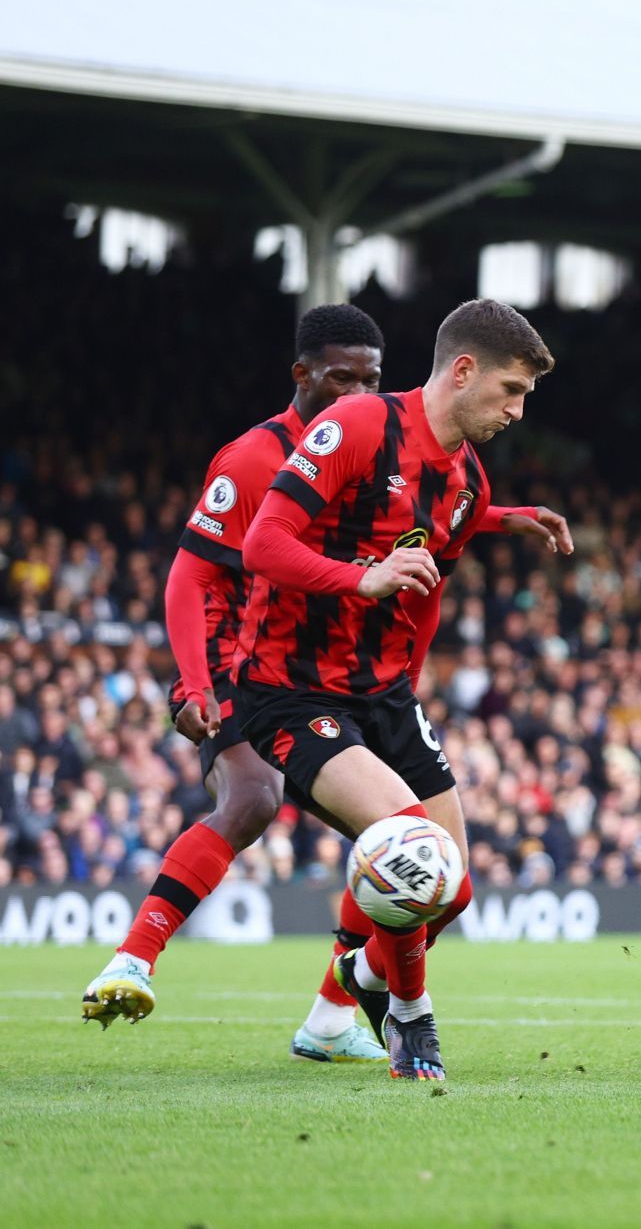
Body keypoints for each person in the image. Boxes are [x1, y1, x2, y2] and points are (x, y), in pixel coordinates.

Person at [235, 298, 568, 1080]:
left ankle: (343, 995)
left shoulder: (465, 477)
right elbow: (263, 543)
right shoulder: (355, 426)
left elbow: (436, 525)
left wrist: (506, 518)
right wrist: (363, 579)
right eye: (511, 391)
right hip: (294, 687)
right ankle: (409, 1017)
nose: (519, 411)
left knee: (453, 889)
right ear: (462, 372)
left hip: (382, 694)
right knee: (413, 852)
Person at [81, 304, 390, 1062]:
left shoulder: (377, 456)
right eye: (339, 377)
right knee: (253, 796)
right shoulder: (255, 459)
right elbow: (189, 575)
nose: (355, 394)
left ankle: (328, 1019)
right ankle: (132, 959)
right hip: (234, 660)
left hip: (313, 672)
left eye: (371, 380)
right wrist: (194, 684)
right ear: (302, 375)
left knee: (393, 840)